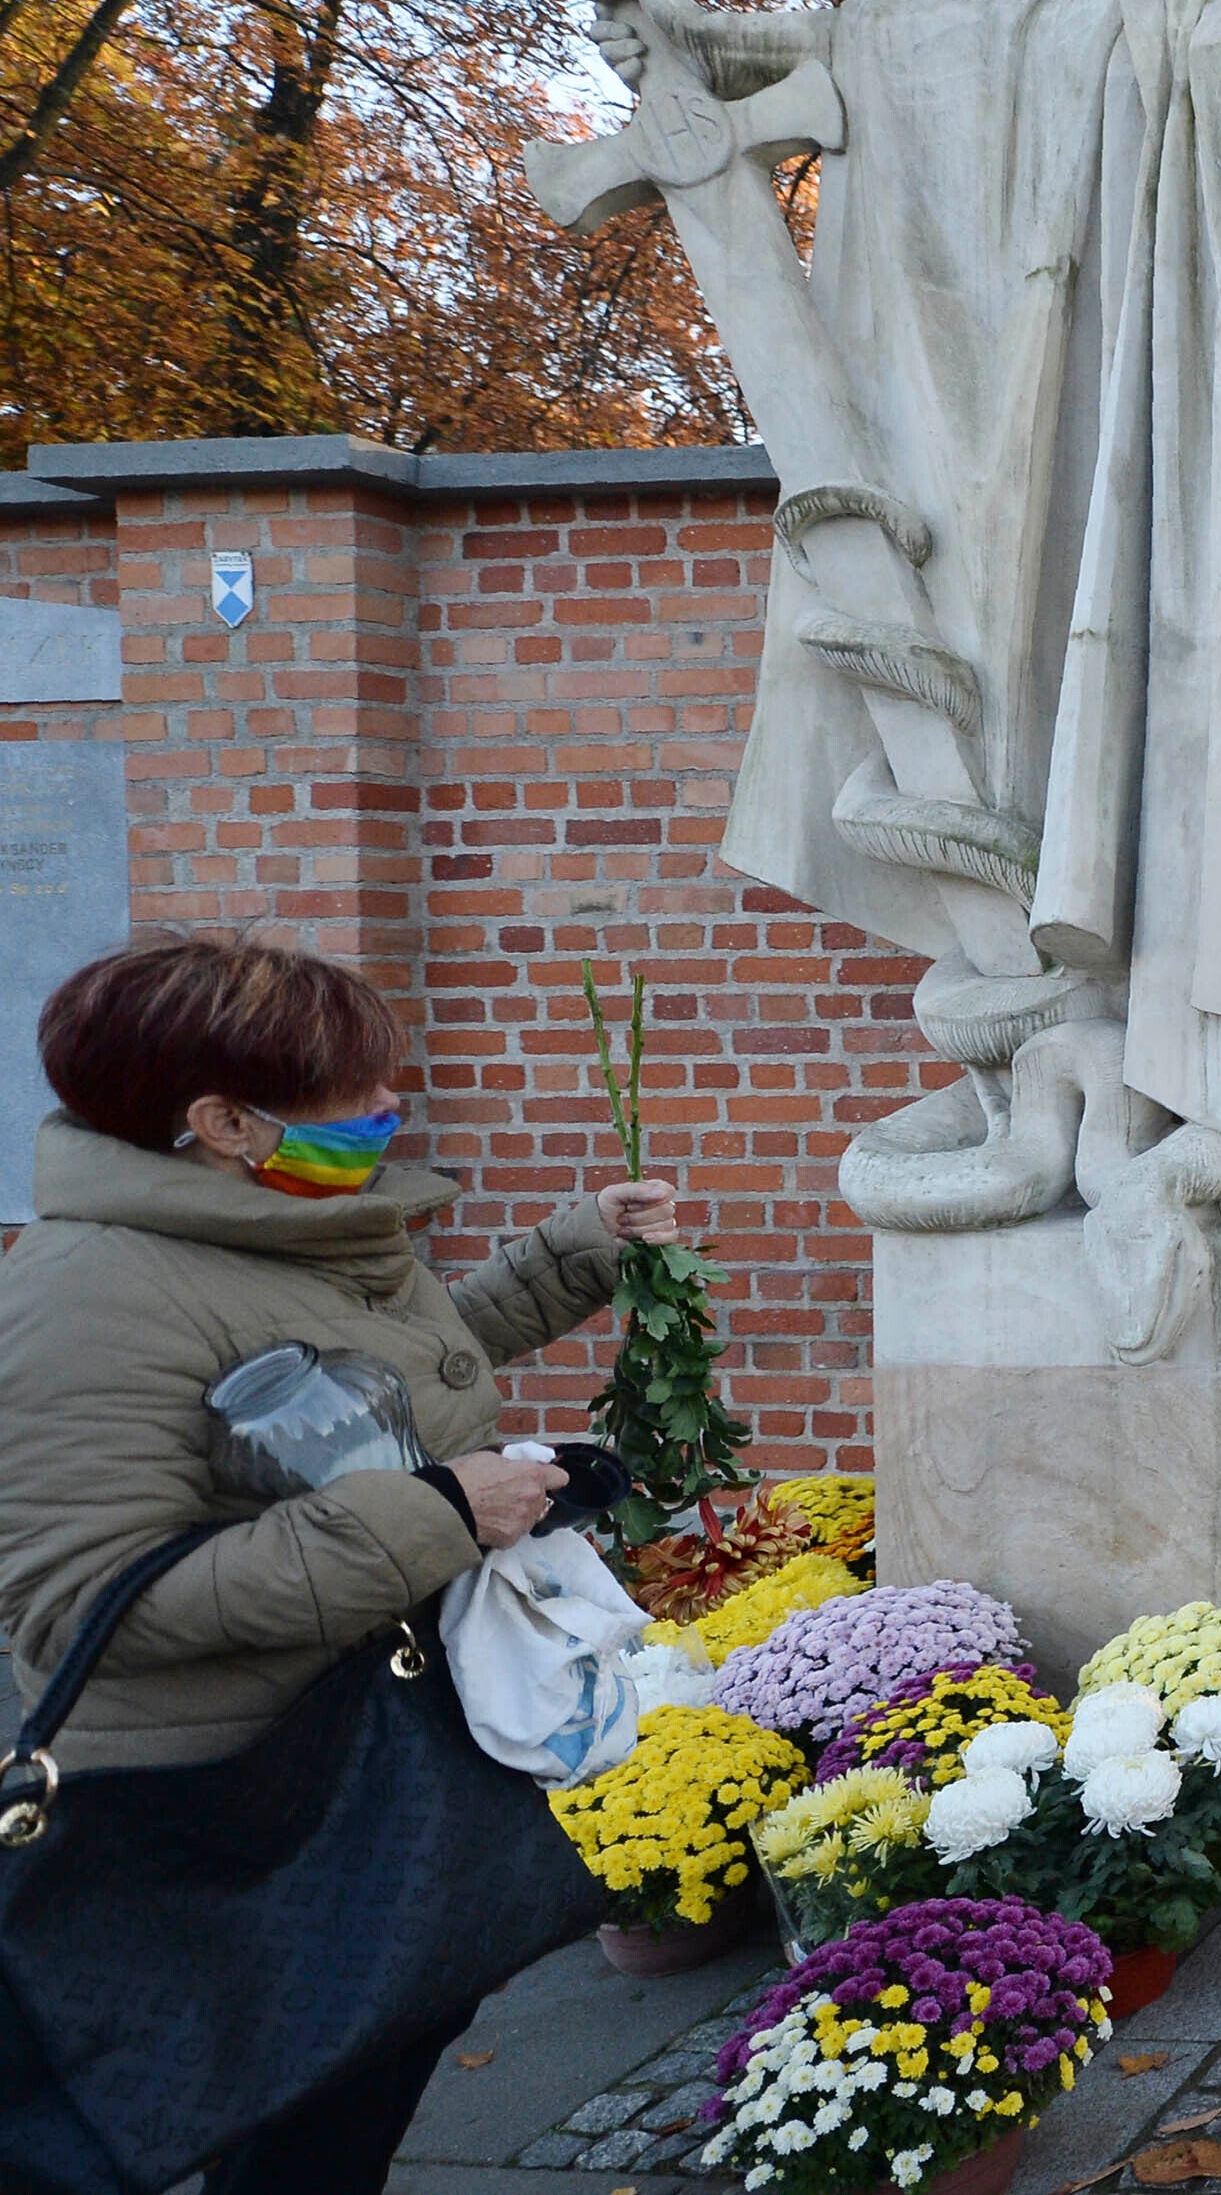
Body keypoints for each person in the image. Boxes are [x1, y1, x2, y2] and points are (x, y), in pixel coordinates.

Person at [0, 935, 683, 2193]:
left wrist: (570, 1253)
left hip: (362, 1748)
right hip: (234, 1805)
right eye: (353, 1091)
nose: (389, 1108)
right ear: (219, 1120)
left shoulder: (274, 1226)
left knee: (360, 2077)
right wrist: (433, 1514)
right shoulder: (88, 1292)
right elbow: (86, 1596)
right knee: (278, 2112)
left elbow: (381, 1379)